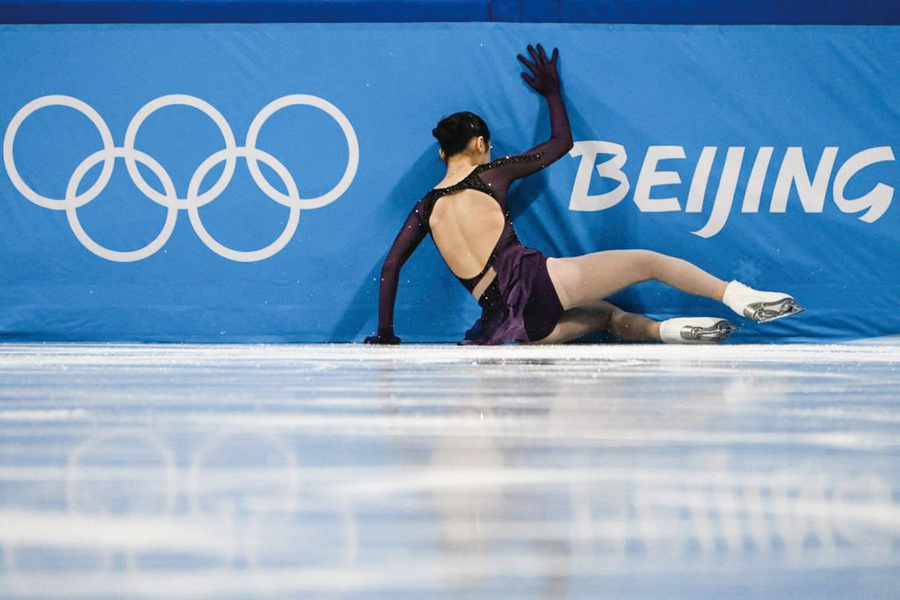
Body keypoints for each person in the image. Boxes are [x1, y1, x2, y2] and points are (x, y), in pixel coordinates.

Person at [365, 44, 801, 346]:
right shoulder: (491, 175)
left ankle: (665, 333)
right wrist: (552, 92)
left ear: (442, 151)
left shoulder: (426, 206)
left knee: (606, 316)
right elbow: (561, 144)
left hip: (509, 325)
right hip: (539, 285)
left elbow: (390, 266)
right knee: (648, 262)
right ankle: (742, 298)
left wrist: (385, 333)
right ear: (480, 143)